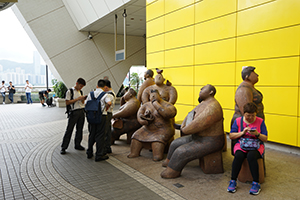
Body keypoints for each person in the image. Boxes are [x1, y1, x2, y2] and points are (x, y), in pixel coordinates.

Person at [161, 84, 224, 178]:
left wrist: (185, 128)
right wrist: (183, 125)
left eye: (203, 88)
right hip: (198, 137)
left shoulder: (213, 106)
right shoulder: (203, 103)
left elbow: (198, 124)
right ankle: (169, 161)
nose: (201, 89)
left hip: (211, 141)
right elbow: (190, 115)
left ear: (211, 92)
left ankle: (172, 171)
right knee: (175, 143)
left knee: (181, 151)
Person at [227, 102, 268, 195]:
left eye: (252, 115)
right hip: (241, 145)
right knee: (238, 155)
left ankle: (256, 183)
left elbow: (265, 138)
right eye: (248, 115)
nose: (250, 118)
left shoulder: (260, 121)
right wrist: (242, 132)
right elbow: (231, 135)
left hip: (256, 146)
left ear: (256, 114)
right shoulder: (238, 121)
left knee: (251, 156)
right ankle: (233, 180)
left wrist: (257, 134)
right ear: (243, 113)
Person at [128, 89, 177, 161]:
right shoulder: (146, 105)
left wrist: (156, 104)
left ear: (160, 96)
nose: (153, 97)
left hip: (163, 129)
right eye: (151, 96)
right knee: (136, 136)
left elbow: (168, 114)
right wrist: (143, 120)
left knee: (157, 143)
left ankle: (157, 155)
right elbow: (139, 114)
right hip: (147, 128)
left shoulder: (168, 105)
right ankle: (134, 152)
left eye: (155, 95)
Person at [231, 66, 265, 154]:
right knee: (245, 149)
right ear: (247, 76)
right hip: (246, 125)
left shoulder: (249, 87)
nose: (257, 75)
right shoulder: (244, 89)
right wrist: (250, 126)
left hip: (254, 124)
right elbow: (246, 111)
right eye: (254, 73)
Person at [85, 79, 112, 161]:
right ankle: (99, 155)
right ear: (104, 87)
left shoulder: (91, 93)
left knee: (92, 134)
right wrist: (105, 108)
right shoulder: (104, 94)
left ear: (97, 86)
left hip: (91, 116)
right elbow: (109, 103)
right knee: (100, 135)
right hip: (101, 116)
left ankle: (89, 152)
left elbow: (86, 103)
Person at [60, 78, 87, 155]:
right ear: (77, 83)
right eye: (80, 86)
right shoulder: (70, 91)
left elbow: (81, 103)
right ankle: (64, 147)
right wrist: (77, 99)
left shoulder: (80, 91)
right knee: (69, 129)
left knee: (80, 129)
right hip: (74, 112)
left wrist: (83, 99)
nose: (81, 88)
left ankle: (77, 144)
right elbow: (67, 102)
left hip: (81, 111)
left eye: (82, 87)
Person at [103, 79, 116, 154]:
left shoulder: (109, 95)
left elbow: (108, 105)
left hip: (107, 113)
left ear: (106, 87)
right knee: (107, 130)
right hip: (109, 114)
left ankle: (106, 147)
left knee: (106, 131)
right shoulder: (110, 93)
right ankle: (107, 147)